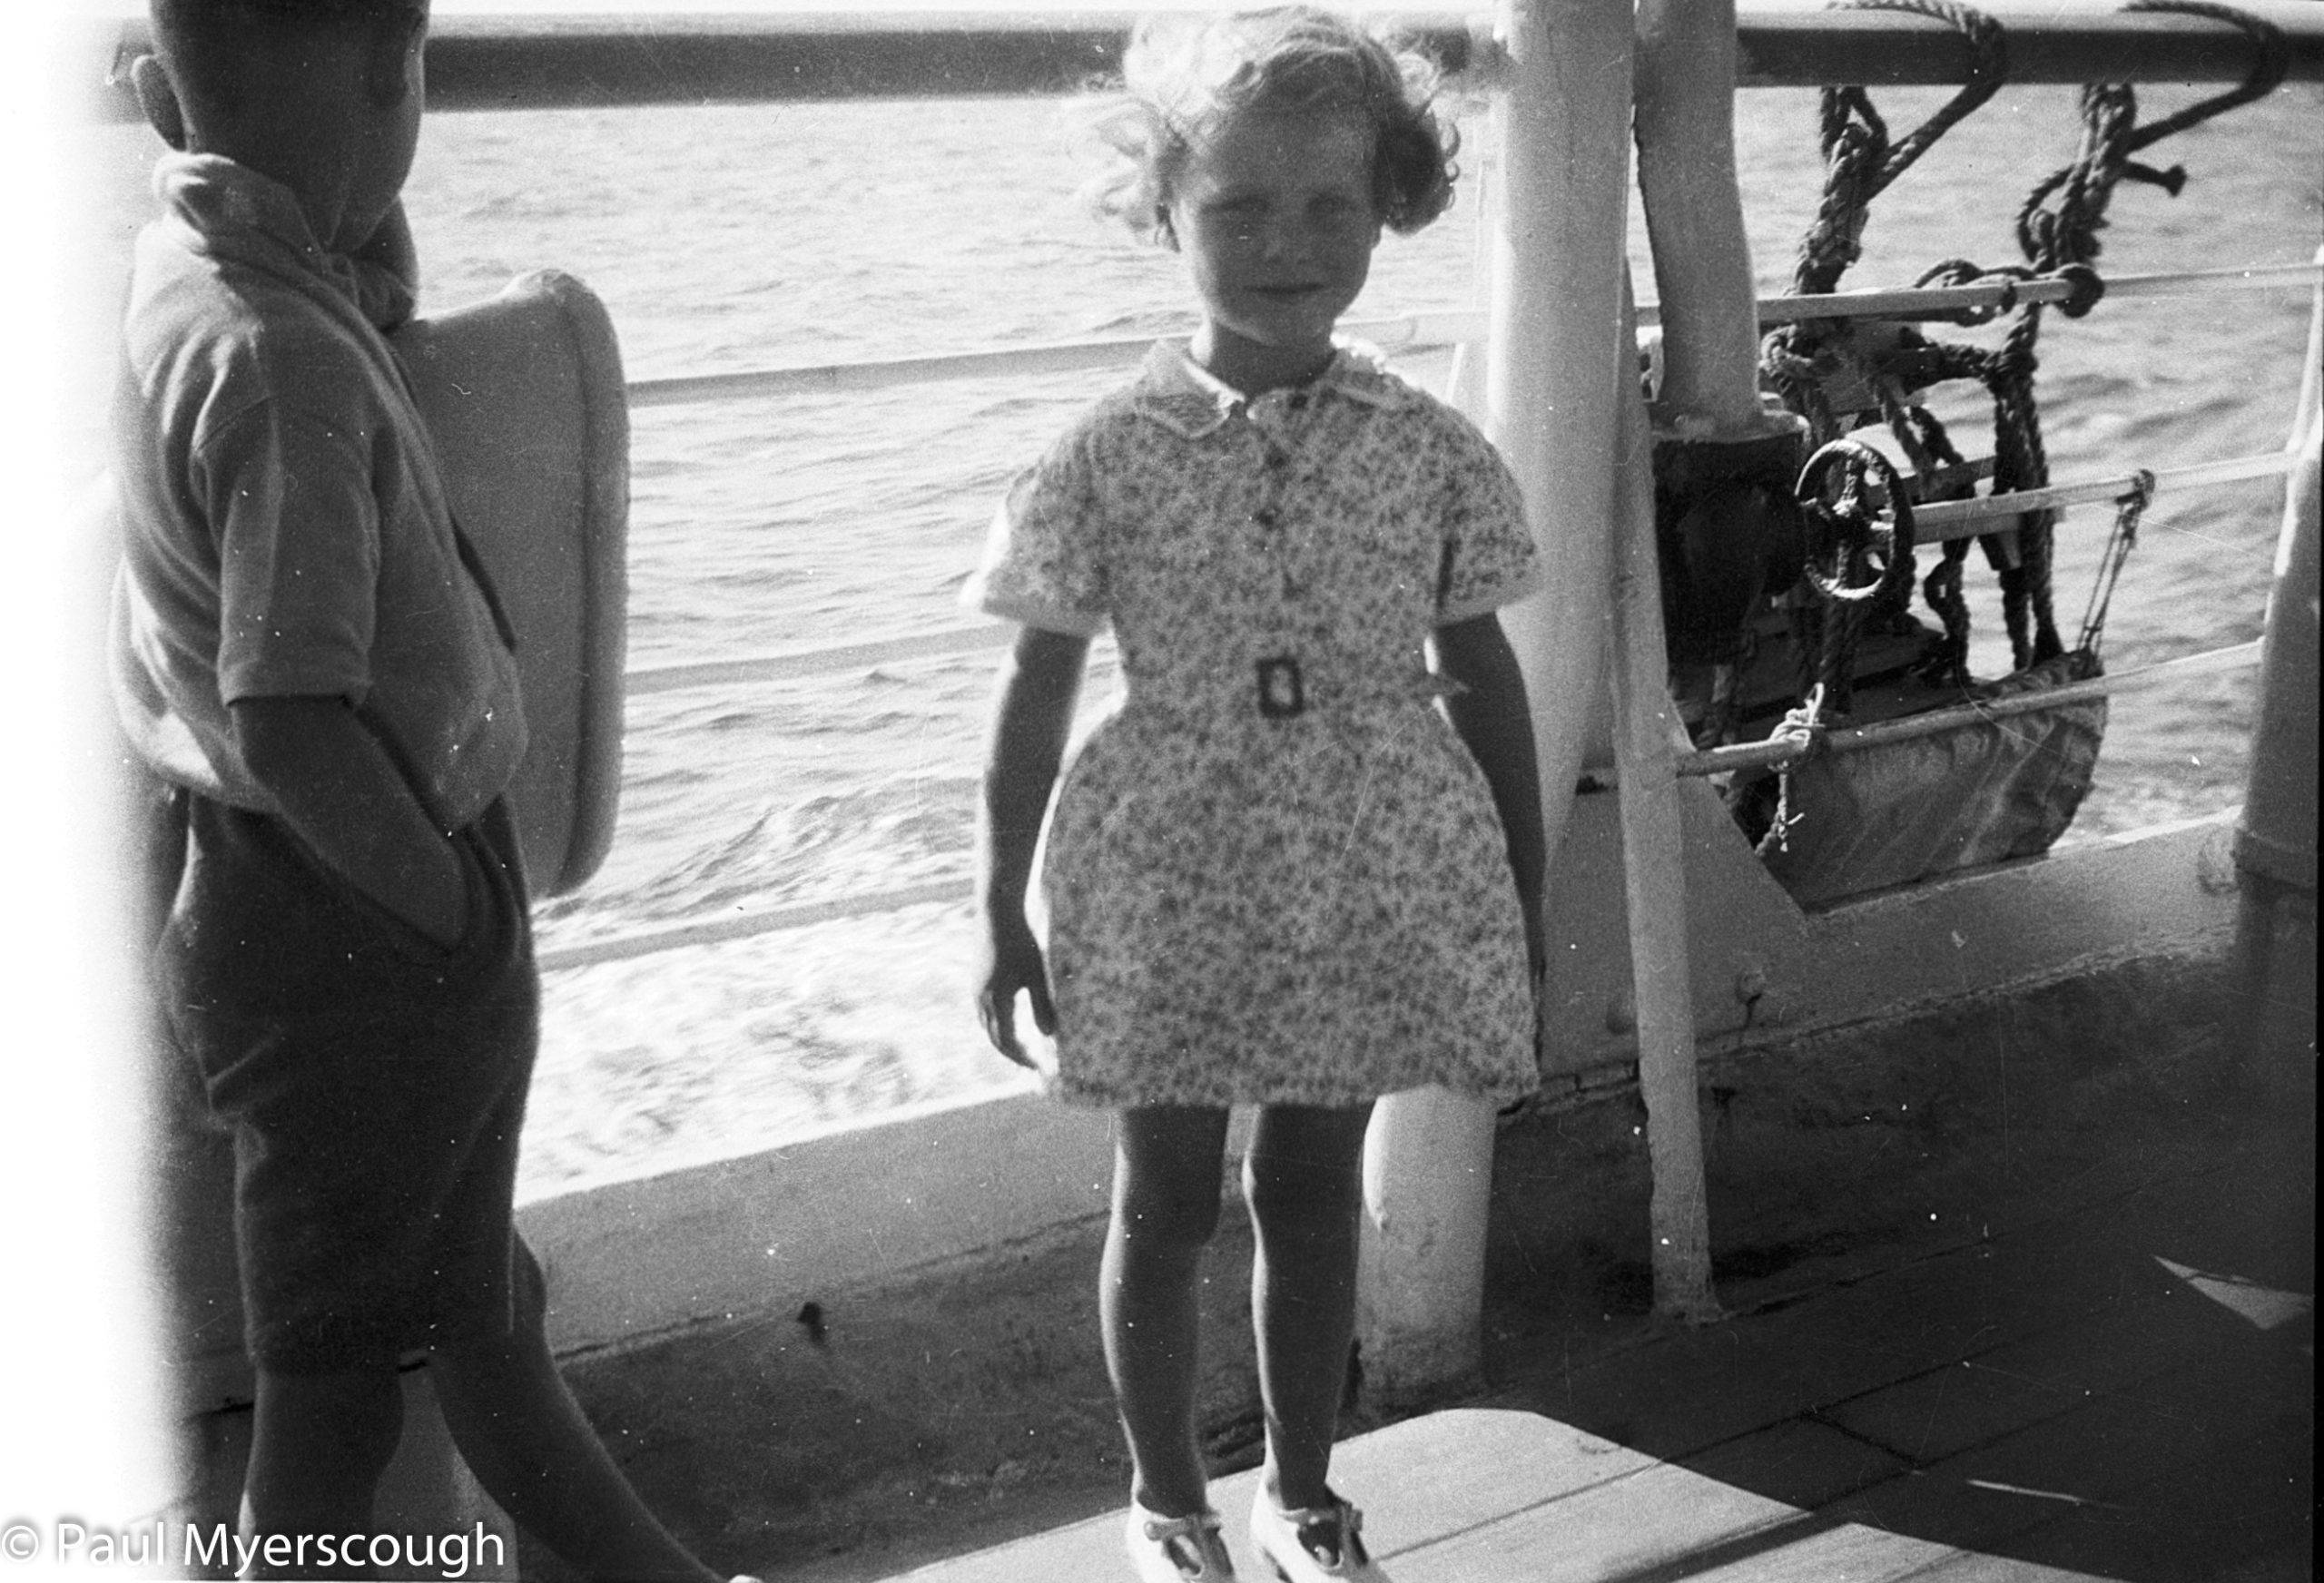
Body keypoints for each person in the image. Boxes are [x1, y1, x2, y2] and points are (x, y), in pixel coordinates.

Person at [110, 4, 743, 1578]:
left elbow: (337, 263)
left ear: (161, 96)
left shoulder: (201, 269)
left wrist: (352, 201)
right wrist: (450, 920)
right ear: (400, 71)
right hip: (358, 919)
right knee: (335, 1405)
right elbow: (289, 716)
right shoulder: (284, 367)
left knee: (483, 1310)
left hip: (274, 896)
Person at [967, 10, 1549, 1580]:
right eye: (1236, 206)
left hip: (1364, 863)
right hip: (1167, 867)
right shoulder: (1103, 454)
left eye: (1328, 205)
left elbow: (1482, 674)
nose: (1286, 243)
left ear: (1391, 205)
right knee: (1163, 1199)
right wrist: (996, 910)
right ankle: (1167, 1505)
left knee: (1310, 1185)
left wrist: (1519, 894)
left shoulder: (1427, 448)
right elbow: (1034, 692)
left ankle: (1301, 1496)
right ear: (1161, 209)